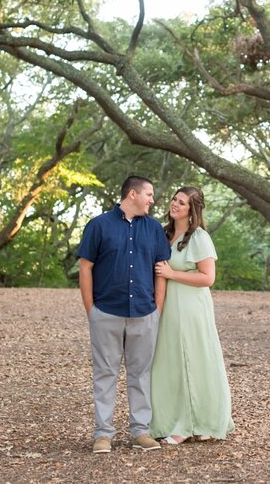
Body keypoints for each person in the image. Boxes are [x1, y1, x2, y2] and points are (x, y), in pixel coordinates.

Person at [77, 175, 170, 454]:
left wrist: (157, 309)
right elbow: (85, 268)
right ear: (132, 194)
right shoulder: (98, 226)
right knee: (105, 374)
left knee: (140, 374)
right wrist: (91, 310)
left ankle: (140, 431)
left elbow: (161, 270)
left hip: (144, 313)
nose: (152, 200)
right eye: (149, 194)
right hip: (106, 312)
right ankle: (103, 434)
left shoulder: (154, 229)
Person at [150, 185, 235, 444]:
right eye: (174, 199)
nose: (174, 204)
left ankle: (191, 425)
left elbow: (208, 277)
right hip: (168, 306)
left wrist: (172, 274)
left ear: (192, 210)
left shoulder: (198, 237)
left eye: (182, 202)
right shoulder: (163, 234)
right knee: (170, 363)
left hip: (191, 307)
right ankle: (172, 419)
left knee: (193, 360)